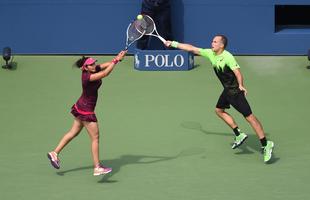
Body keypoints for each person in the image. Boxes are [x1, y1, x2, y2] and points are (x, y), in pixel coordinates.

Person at [165, 35, 274, 163]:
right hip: (227, 91)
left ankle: (266, 144)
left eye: (215, 42)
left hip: (235, 93)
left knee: (250, 117)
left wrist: (241, 85)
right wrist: (172, 43)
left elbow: (237, 72)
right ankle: (239, 134)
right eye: (212, 41)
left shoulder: (228, 57)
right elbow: (192, 49)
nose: (212, 43)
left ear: (221, 45)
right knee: (219, 110)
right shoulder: (211, 54)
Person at [47, 50, 127, 176]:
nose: (94, 65)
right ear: (85, 67)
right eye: (91, 64)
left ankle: (54, 153)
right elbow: (106, 73)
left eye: (94, 62)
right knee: (95, 138)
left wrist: (117, 58)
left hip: (80, 106)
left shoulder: (92, 70)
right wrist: (116, 61)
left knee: (73, 133)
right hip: (86, 110)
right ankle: (97, 167)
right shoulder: (88, 77)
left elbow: (104, 66)